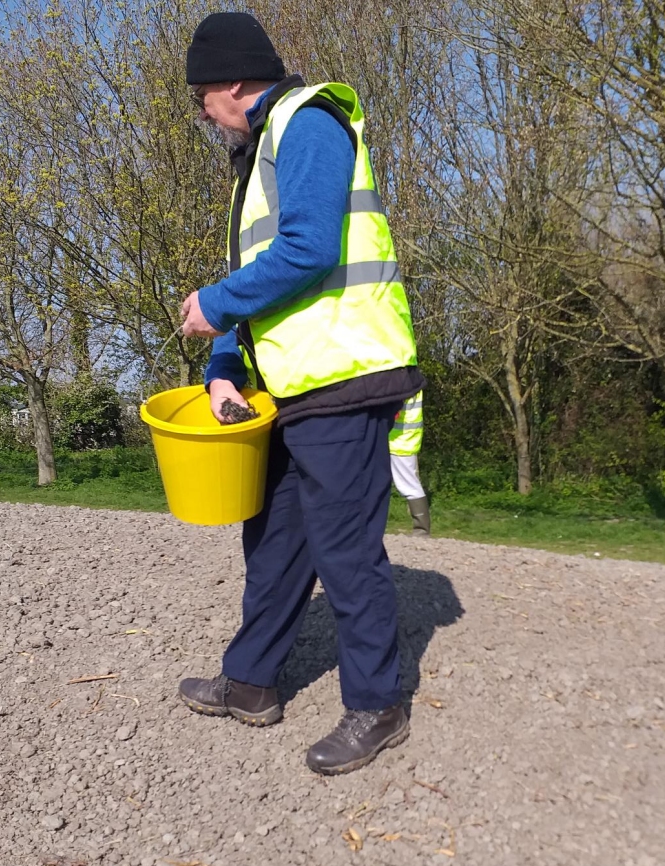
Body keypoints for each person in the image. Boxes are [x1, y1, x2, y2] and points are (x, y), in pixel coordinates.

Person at [177, 12, 425, 775]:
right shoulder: (253, 161)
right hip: (290, 386)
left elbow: (310, 248)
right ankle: (250, 680)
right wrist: (223, 364)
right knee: (274, 539)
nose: (201, 115)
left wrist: (214, 305)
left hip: (346, 378)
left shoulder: (307, 122)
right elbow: (255, 277)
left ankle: (378, 705)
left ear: (228, 83)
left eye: (199, 99)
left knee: (346, 552)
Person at [390, 390, 429, 535]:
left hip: (398, 440)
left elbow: (393, 411)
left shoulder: (400, 379)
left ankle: (421, 530)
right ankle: (421, 530)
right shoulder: (411, 378)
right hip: (404, 439)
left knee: (408, 485)